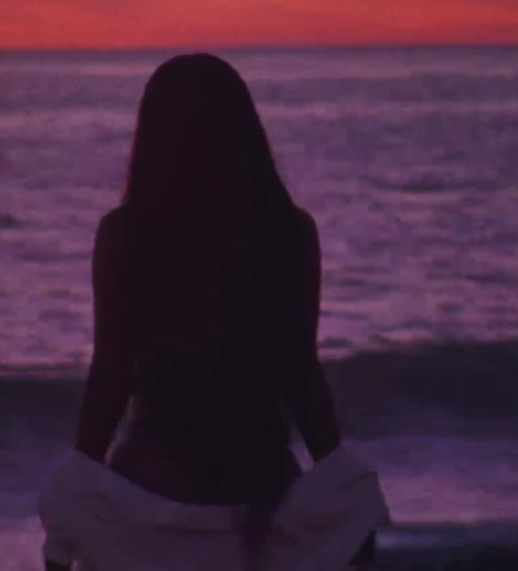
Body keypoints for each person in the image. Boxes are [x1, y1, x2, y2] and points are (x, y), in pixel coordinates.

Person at [40, 54, 384, 571]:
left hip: (152, 485)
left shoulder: (127, 233)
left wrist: (77, 496)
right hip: (262, 490)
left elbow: (112, 372)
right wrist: (338, 484)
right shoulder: (287, 232)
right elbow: (301, 374)